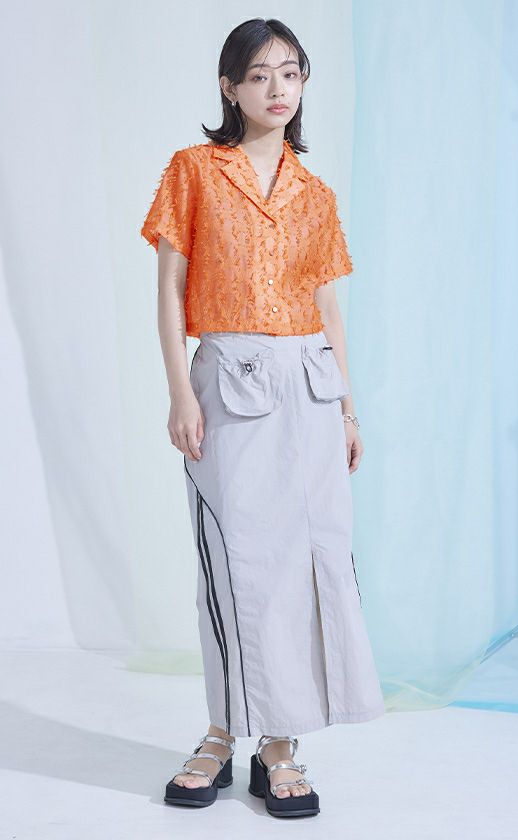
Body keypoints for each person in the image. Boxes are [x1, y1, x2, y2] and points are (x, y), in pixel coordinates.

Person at [140, 17, 385, 819]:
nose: (278, 89)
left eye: (291, 73)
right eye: (259, 75)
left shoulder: (315, 193)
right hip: (230, 380)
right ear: (229, 86)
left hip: (311, 387)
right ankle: (221, 731)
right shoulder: (195, 170)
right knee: (235, 561)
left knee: (307, 562)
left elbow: (328, 309)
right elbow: (170, 289)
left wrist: (348, 409)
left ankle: (280, 742)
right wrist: (181, 394)